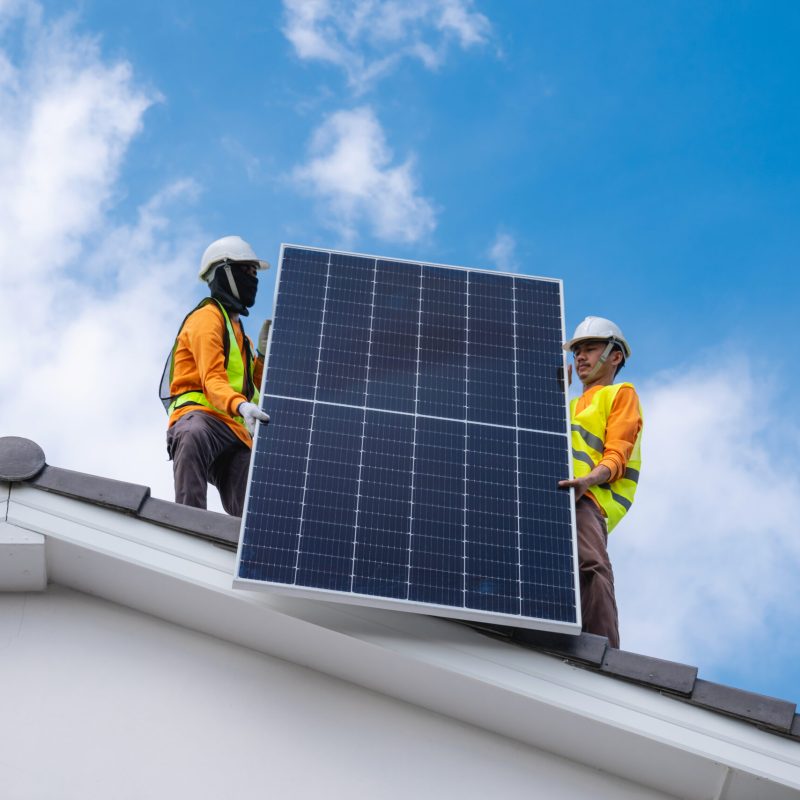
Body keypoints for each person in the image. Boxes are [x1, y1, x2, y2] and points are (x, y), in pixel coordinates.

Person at [161, 235, 271, 516]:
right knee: (192, 435)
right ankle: (189, 526)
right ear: (223, 273)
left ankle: (248, 551)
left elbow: (251, 391)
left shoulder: (241, 337)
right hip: (202, 419)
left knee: (254, 496)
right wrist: (240, 406)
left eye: (254, 273)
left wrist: (262, 357)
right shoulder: (206, 318)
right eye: (246, 271)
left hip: (235, 432)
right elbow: (212, 380)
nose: (252, 279)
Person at [558, 316, 643, 648]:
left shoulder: (621, 394)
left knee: (591, 565)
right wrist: (549, 397)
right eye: (577, 351)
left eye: (590, 349)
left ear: (615, 355)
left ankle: (603, 653)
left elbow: (618, 453)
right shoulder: (566, 405)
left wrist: (588, 481)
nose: (580, 357)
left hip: (587, 499)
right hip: (553, 492)